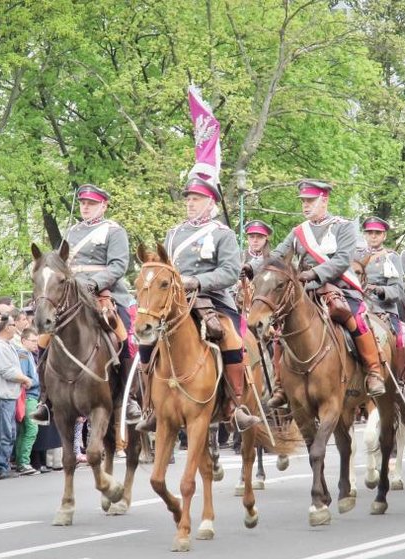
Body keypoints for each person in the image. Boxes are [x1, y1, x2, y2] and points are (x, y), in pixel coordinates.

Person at [136, 176, 263, 432]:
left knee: (231, 339)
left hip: (213, 299)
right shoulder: (174, 233)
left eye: (197, 199)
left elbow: (229, 272)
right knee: (146, 340)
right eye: (189, 199)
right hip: (175, 300)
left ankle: (234, 405)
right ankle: (150, 406)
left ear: (211, 202)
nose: (190, 204)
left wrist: (197, 281)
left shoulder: (222, 234)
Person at [264, 179, 385, 397]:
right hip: (304, 291)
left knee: (356, 319)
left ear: (324, 200)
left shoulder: (343, 226)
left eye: (310, 200)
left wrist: (315, 273)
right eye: (303, 201)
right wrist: (254, 266)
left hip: (338, 287)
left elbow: (342, 260)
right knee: (280, 330)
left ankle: (373, 371)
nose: (305, 205)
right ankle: (280, 384)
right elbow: (277, 256)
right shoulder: (298, 231)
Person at [31, 184, 139, 424]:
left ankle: (128, 398)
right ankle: (45, 399)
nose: (86, 207)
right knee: (43, 338)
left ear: (103, 205)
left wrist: (94, 284)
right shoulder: (72, 232)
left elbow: (119, 266)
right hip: (72, 294)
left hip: (103, 293)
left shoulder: (114, 231)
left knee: (124, 336)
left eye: (91, 203)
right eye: (83, 203)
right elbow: (62, 266)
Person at [0, 315, 31, 479]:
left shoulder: (9, 344)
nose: (15, 328)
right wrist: (25, 379)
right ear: (6, 327)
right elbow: (7, 371)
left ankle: (3, 464)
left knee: (10, 432)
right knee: (3, 433)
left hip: (10, 395)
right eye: (13, 325)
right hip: (1, 395)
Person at [357, 215, 405, 353]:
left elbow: (398, 291)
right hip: (357, 306)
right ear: (364, 235)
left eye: (377, 233)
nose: (373, 236)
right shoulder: (355, 255)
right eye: (369, 233)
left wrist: (379, 289)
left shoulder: (391, 257)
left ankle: (400, 373)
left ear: (384, 236)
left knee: (400, 340)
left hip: (382, 310)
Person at [14, 328, 41, 476]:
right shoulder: (23, 354)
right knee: (31, 429)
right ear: (23, 340)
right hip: (29, 395)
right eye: (33, 341)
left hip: (30, 395)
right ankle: (23, 461)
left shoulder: (29, 354)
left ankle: (21, 460)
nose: (36, 344)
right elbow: (25, 378)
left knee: (24, 430)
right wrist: (35, 382)